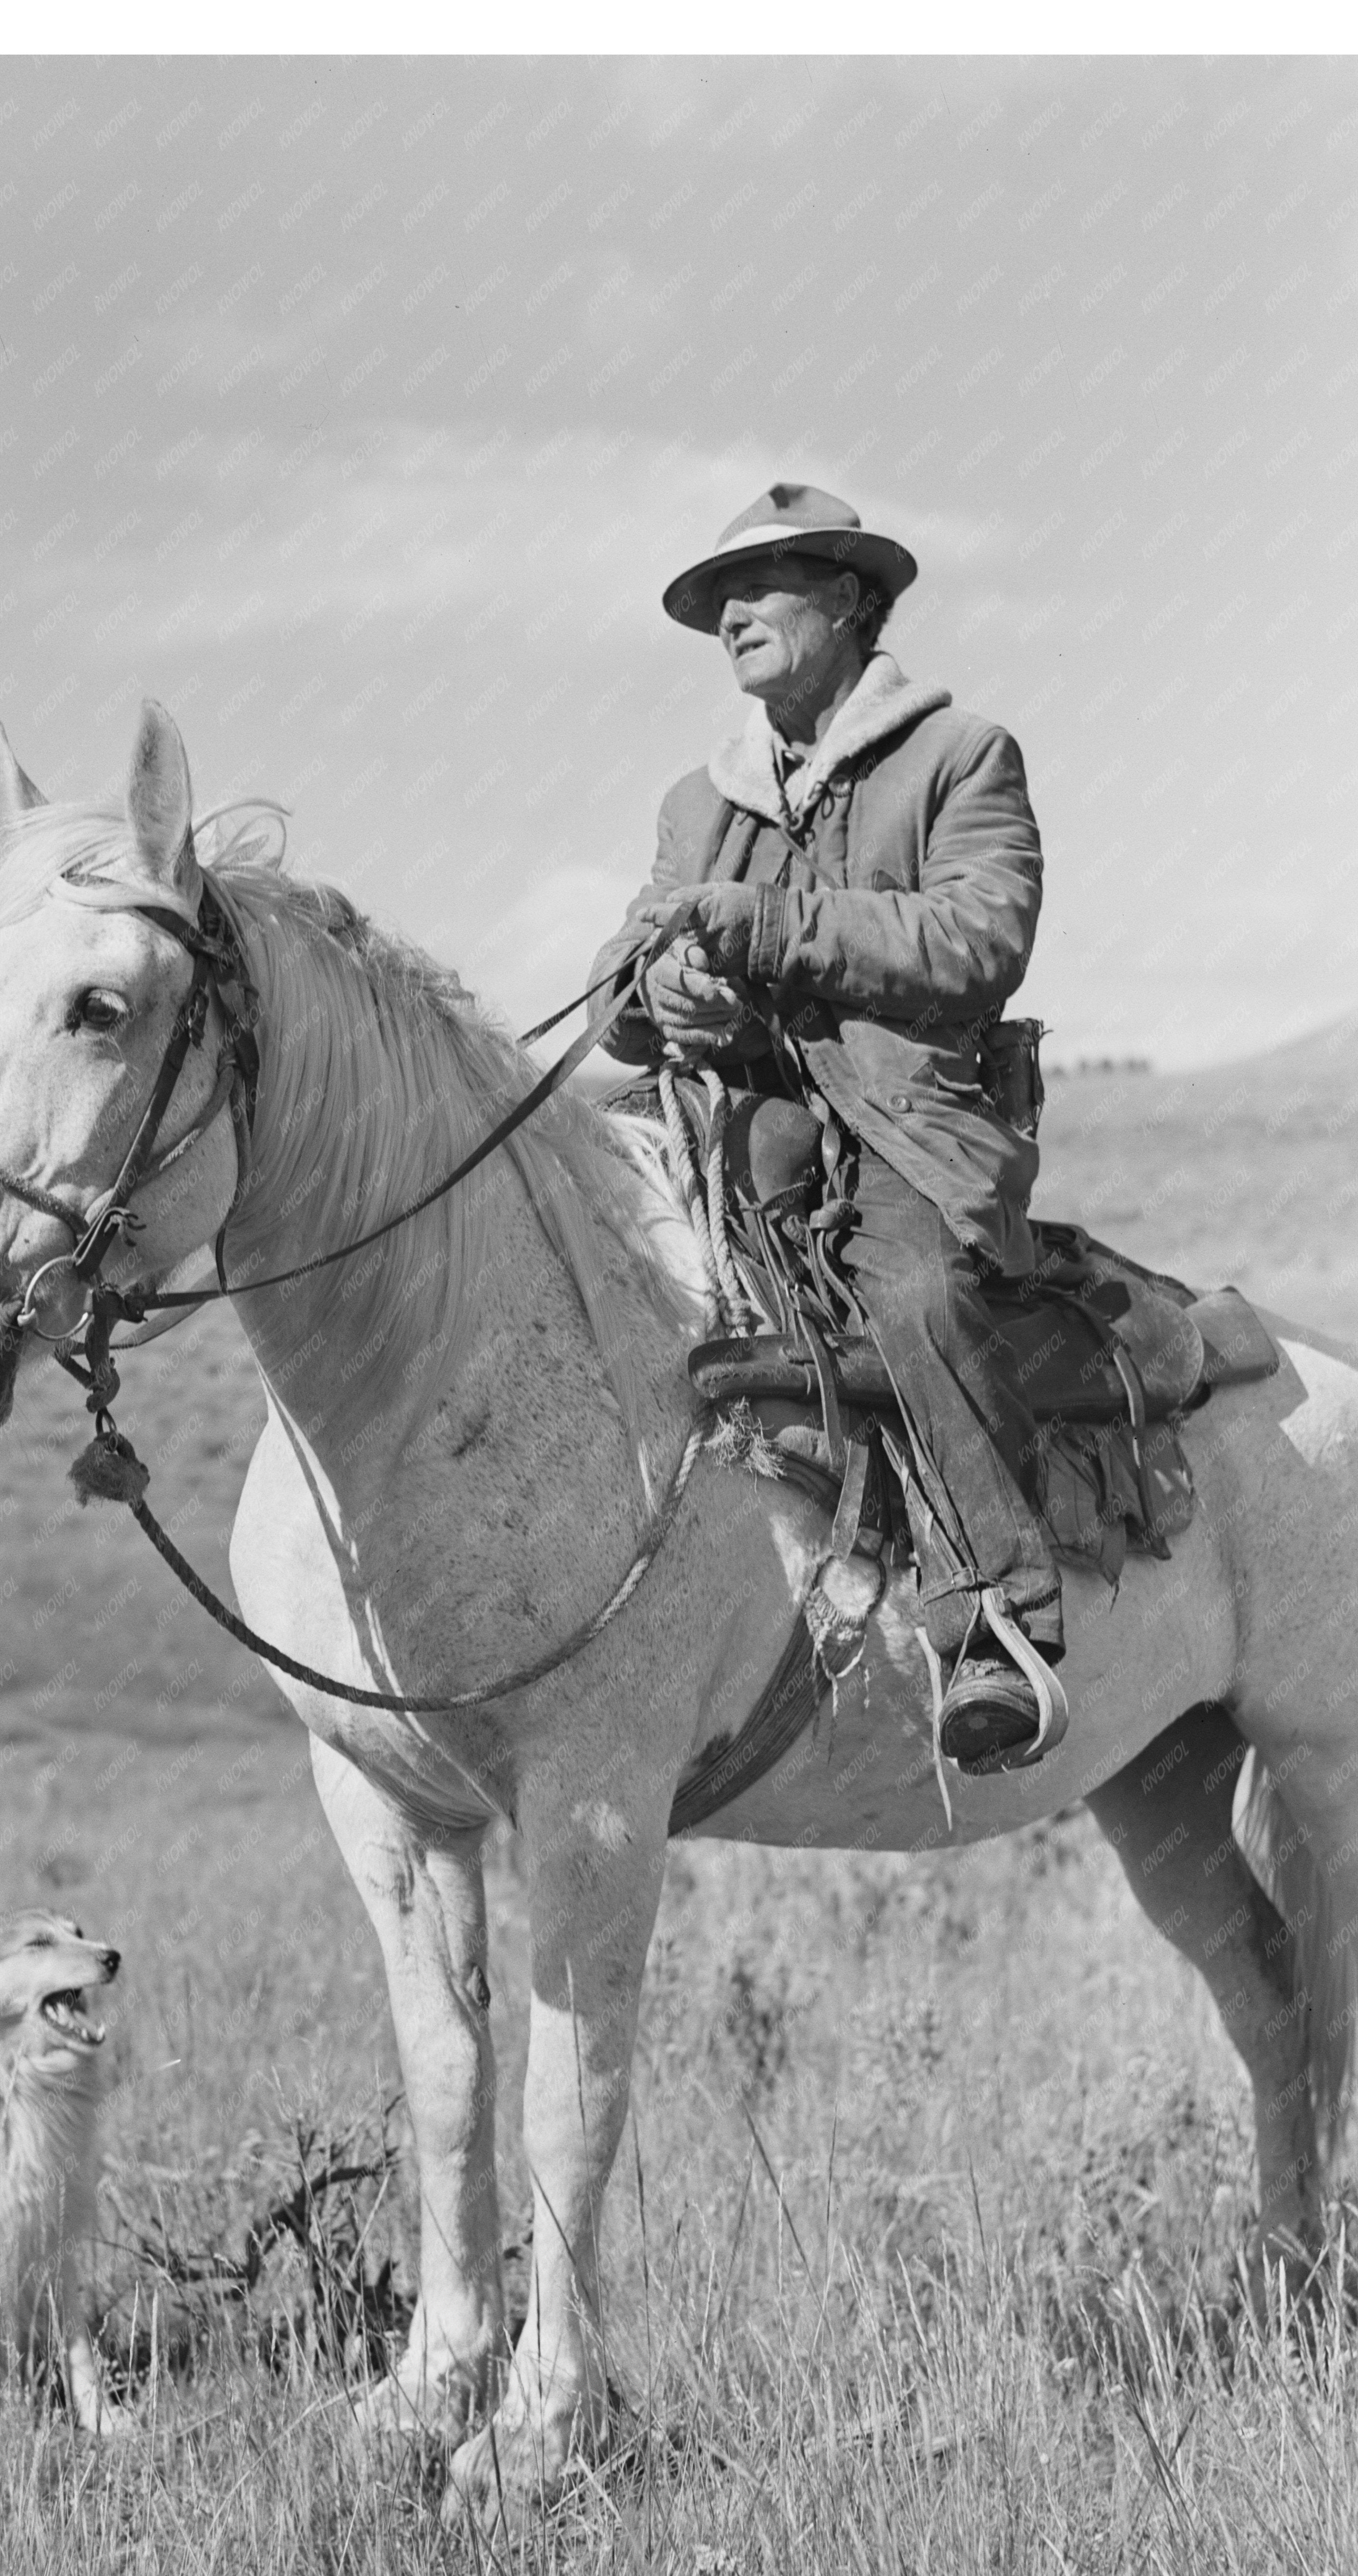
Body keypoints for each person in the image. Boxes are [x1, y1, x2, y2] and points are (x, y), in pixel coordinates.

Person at [588, 481, 1063, 1766]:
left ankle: (993, 1627)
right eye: (715, 601)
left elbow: (980, 940)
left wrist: (767, 926)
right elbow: (624, 980)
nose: (730, 616)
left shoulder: (960, 754)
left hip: (907, 1128)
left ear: (849, 600)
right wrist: (660, 996)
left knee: (917, 1298)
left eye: (760, 587)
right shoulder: (698, 803)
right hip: (732, 1126)